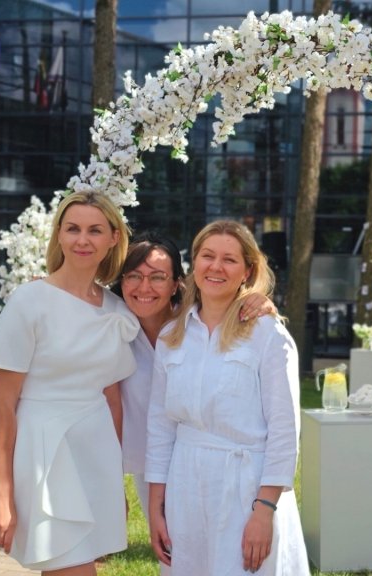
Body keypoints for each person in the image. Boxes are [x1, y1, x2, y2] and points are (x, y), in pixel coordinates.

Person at [0, 191, 139, 574]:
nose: (82, 240)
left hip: (96, 453)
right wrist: (0, 493)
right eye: (72, 229)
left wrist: (115, 481)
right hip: (44, 453)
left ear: (113, 237)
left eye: (94, 230)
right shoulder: (28, 302)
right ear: (59, 234)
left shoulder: (117, 308)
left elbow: (113, 399)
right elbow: (2, 405)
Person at [146, 220, 309, 575]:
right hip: (186, 486)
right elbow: (160, 427)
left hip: (247, 489)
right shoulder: (172, 336)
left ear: (247, 271)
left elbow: (284, 430)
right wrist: (156, 508)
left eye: (229, 259)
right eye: (207, 256)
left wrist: (265, 510)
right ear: (194, 263)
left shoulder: (267, 334)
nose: (216, 267)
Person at [110, 232, 276, 576]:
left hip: (210, 459)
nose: (145, 287)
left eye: (158, 277)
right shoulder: (110, 324)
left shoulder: (196, 324)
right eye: (134, 276)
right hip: (147, 459)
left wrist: (260, 300)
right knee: (177, 557)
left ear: (176, 283)